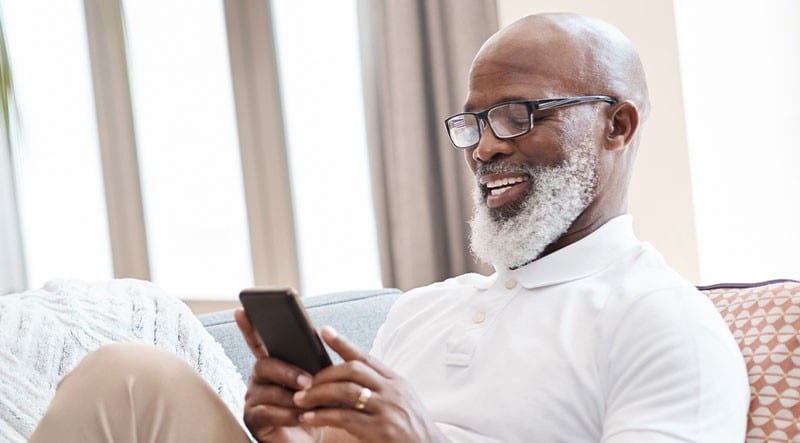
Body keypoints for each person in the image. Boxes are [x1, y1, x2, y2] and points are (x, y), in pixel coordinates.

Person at [30, 12, 749, 443]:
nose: (485, 148)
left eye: (518, 115)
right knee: (130, 374)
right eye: (472, 124)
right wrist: (292, 432)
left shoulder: (665, 323)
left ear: (617, 125)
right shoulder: (423, 308)